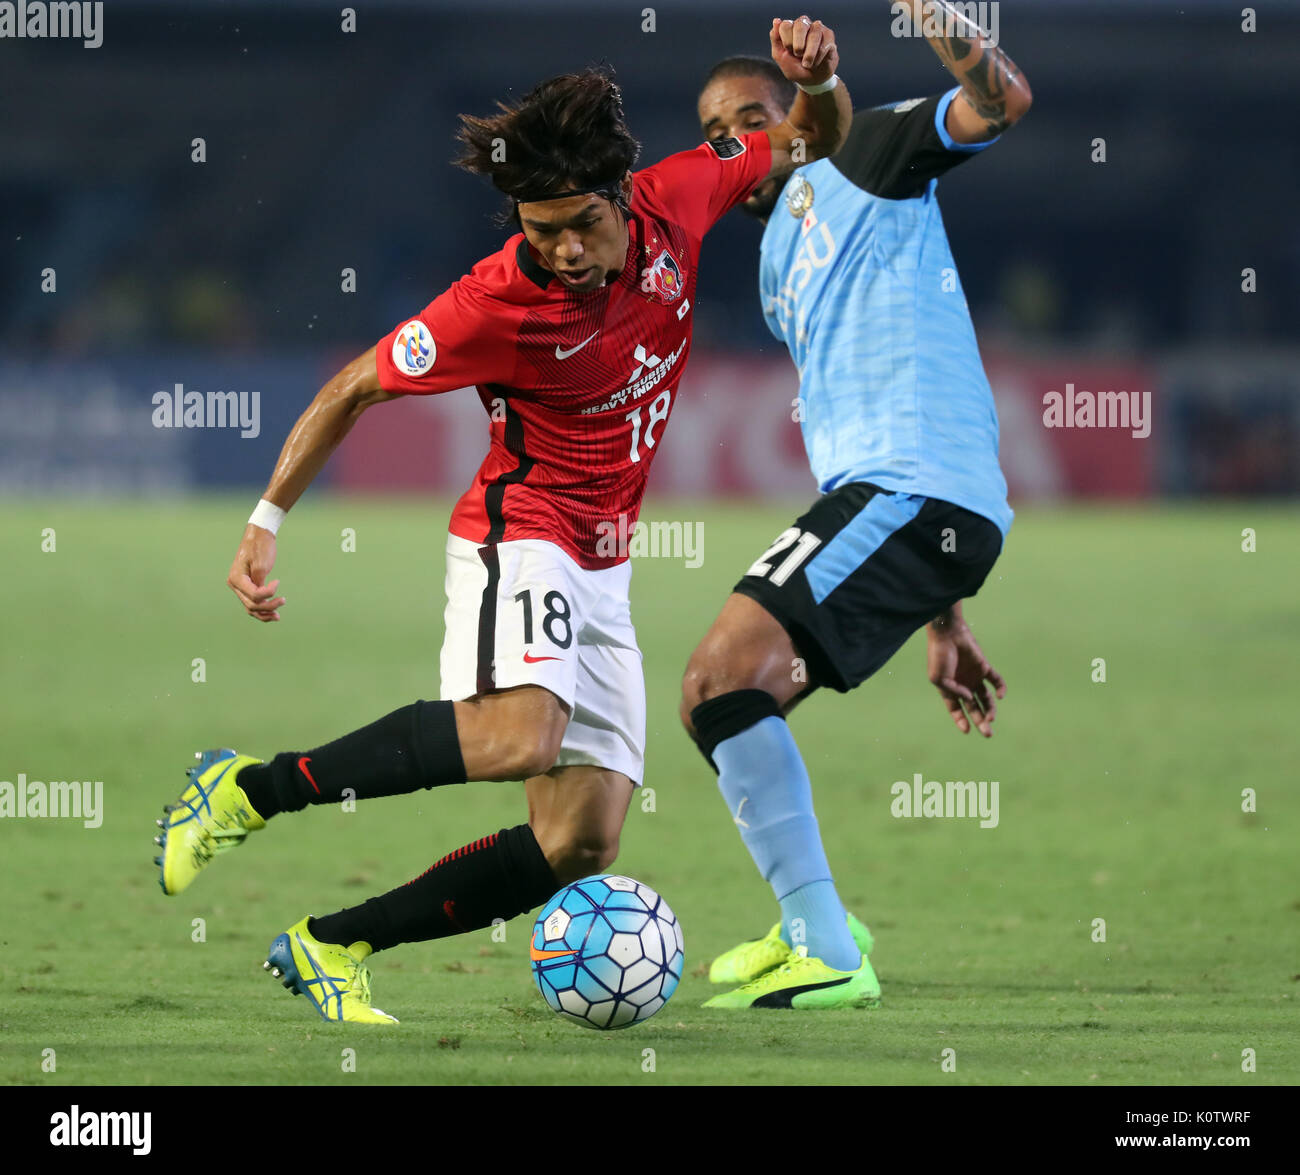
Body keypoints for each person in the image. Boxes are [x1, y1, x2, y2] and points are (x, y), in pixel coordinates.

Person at [152, 17, 851, 1025]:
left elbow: (804, 140)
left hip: (604, 564)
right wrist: (265, 519)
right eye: (540, 231)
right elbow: (353, 385)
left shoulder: (681, 197)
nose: (564, 249)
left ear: (624, 197)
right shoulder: (494, 302)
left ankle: (331, 942)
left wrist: (820, 83)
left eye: (581, 225)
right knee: (522, 732)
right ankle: (247, 789)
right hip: (518, 531)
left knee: (581, 839)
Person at [682, 0, 1032, 1010]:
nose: (733, 145)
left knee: (713, 682)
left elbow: (1000, 102)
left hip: (912, 494)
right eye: (713, 136)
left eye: (750, 117)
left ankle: (827, 945)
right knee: (735, 697)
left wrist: (940, 21)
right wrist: (944, 617)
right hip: (904, 508)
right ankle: (812, 925)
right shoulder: (772, 257)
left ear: (793, 109)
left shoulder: (861, 154)